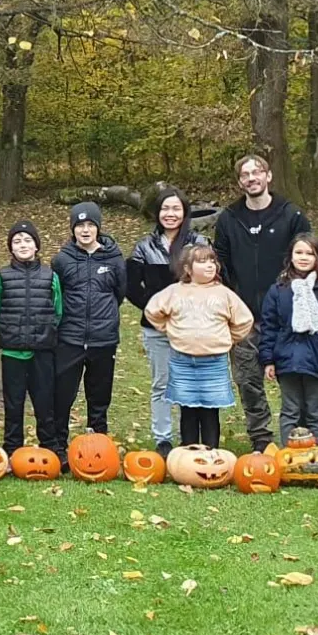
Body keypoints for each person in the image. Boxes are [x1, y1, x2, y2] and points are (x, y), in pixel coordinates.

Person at [214, 154, 310, 452]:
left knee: (294, 380)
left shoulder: (291, 215)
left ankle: (299, 437)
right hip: (244, 319)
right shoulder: (229, 218)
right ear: (239, 181)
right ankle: (261, 440)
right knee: (249, 383)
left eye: (257, 172)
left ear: (268, 176)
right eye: (245, 174)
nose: (252, 178)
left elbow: (307, 260)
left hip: (286, 317)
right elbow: (221, 265)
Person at [144, 246, 254, 449]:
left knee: (210, 410)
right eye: (202, 261)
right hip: (183, 361)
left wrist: (228, 339)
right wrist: (170, 330)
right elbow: (152, 311)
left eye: (212, 261)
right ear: (188, 268)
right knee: (188, 409)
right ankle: (189, 452)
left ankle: (211, 453)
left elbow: (245, 320)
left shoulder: (224, 294)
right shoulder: (175, 292)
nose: (210, 265)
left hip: (214, 362)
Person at [127, 187, 208, 454]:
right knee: (161, 383)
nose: (170, 214)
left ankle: (190, 437)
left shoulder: (199, 244)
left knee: (188, 382)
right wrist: (155, 311)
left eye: (176, 209)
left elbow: (210, 282)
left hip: (191, 328)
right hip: (156, 329)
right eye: (165, 209)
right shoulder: (145, 247)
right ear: (157, 213)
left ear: (185, 212)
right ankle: (163, 437)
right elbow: (132, 287)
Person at [258, 235, 318, 444]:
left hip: (317, 359)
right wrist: (268, 360)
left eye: (310, 253)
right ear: (290, 256)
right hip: (287, 359)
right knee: (290, 410)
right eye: (299, 252)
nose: (303, 257)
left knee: (313, 411)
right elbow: (269, 326)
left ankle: (315, 457)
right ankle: (288, 457)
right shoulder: (279, 289)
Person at [51, 203, 125, 448]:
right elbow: (55, 295)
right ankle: (58, 444)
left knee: (99, 394)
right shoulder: (62, 260)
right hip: (69, 338)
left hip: (103, 339)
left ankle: (98, 442)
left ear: (98, 228)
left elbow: (120, 293)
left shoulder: (114, 258)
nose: (85, 230)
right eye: (80, 225)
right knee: (62, 394)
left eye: (90, 225)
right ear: (73, 229)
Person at [0, 221, 62, 459]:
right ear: (11, 247)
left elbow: (58, 310)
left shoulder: (50, 276)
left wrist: (47, 332)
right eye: (17, 241)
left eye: (27, 240)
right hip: (13, 352)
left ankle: (50, 448)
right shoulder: (2, 276)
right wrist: (7, 334)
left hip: (42, 350)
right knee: (14, 405)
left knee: (45, 403)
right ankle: (12, 451)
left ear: (36, 246)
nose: (23, 245)